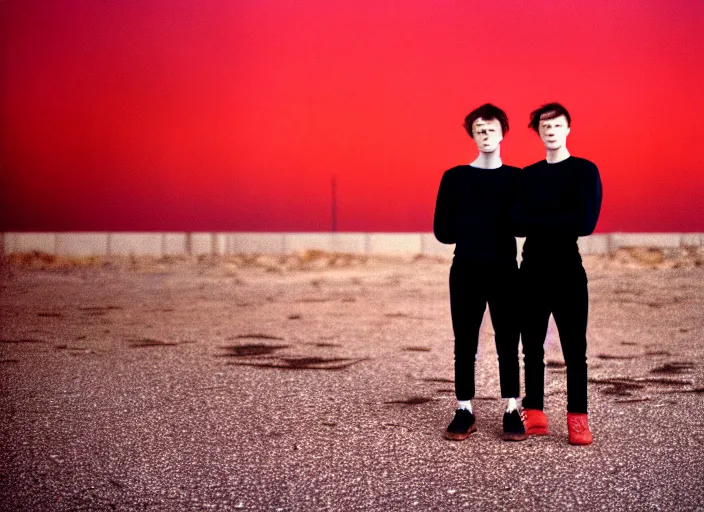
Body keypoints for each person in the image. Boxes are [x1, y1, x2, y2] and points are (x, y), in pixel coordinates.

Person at [433, 103, 526, 442]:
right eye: (479, 130)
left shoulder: (517, 177)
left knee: (508, 341)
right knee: (465, 342)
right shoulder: (455, 177)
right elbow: (443, 232)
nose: (486, 134)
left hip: (504, 270)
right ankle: (464, 409)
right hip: (466, 270)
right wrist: (478, 225)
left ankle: (512, 408)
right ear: (472, 135)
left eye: (491, 129)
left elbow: (522, 225)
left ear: (503, 133)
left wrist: (480, 224)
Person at [514, 102, 603, 445]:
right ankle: (534, 412)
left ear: (568, 129)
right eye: (544, 127)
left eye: (556, 126)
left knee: (574, 349)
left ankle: (577, 419)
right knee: (531, 346)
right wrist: (559, 218)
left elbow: (585, 223)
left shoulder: (584, 171)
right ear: (538, 132)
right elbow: (517, 224)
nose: (550, 132)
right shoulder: (528, 175)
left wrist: (541, 220)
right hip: (531, 272)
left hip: (568, 271)